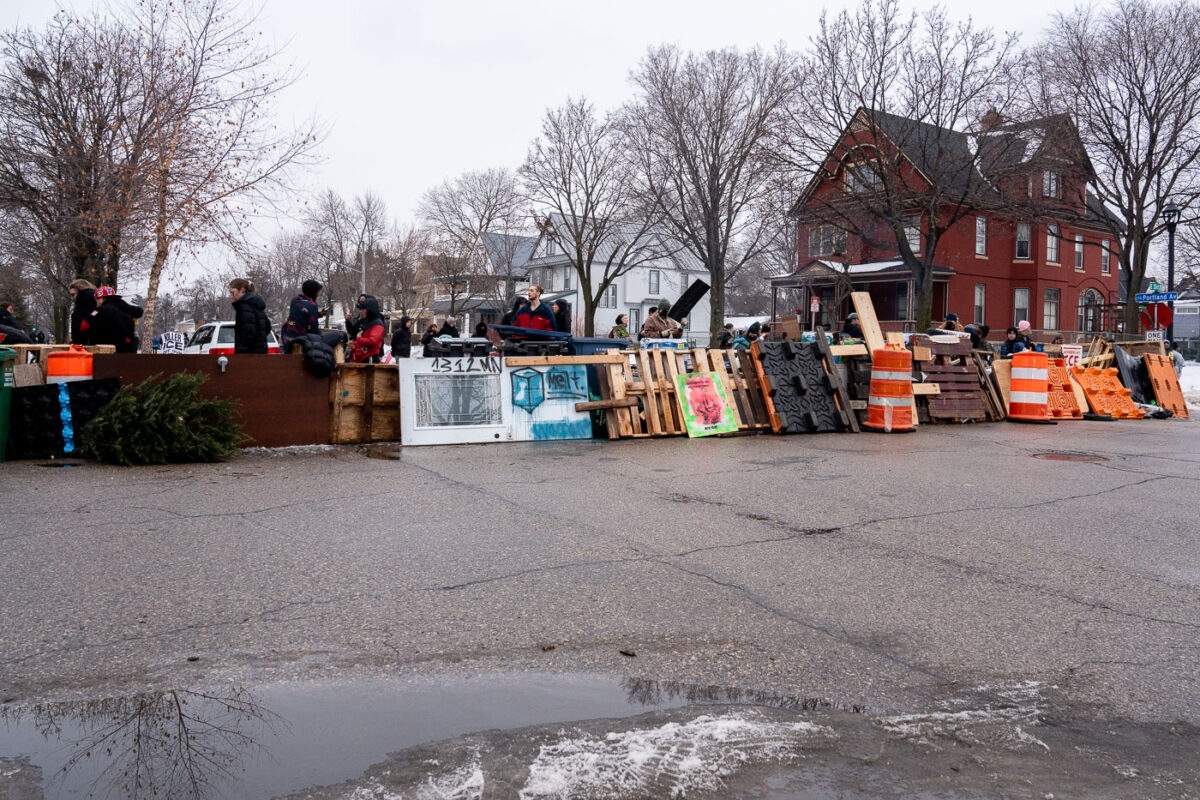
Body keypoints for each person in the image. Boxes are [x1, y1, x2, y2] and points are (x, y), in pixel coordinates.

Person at [81, 286, 141, 352]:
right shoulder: (126, 308)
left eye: (96, 300)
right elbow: (139, 312)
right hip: (127, 350)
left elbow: (84, 326)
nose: (97, 303)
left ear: (101, 298)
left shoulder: (101, 310)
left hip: (107, 350)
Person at [228, 278, 271, 354]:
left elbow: (249, 333)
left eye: (233, 292)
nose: (231, 296)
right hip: (261, 351)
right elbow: (267, 327)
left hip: (248, 354)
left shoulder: (244, 307)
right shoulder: (257, 304)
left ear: (242, 290)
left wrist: (241, 351)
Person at [282, 280, 323, 352]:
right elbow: (313, 328)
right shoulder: (312, 305)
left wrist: (318, 315)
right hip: (303, 342)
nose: (318, 294)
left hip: (289, 339)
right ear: (313, 292)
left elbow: (300, 315)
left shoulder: (295, 300)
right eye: (318, 292)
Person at [348, 297, 385, 362]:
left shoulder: (377, 323)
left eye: (363, 309)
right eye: (360, 309)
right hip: (363, 359)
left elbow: (372, 341)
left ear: (370, 309)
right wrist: (355, 346)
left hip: (370, 360)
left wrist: (359, 339)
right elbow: (363, 339)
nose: (361, 311)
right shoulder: (367, 322)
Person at [68, 279, 97, 344]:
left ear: (80, 291)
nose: (73, 298)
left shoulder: (81, 307)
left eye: (73, 295)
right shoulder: (96, 303)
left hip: (84, 346)